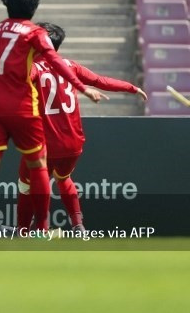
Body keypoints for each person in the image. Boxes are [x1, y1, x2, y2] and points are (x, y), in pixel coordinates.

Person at [0, 0, 104, 233]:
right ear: (34, 7)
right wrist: (82, 88)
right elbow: (55, 62)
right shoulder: (34, 32)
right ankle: (42, 228)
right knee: (38, 165)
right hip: (20, 106)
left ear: (6, 3)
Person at [15, 22, 147, 233]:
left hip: (45, 145)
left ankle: (24, 230)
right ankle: (78, 226)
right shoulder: (71, 66)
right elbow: (100, 80)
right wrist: (132, 88)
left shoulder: (33, 68)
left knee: (26, 183)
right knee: (63, 178)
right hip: (73, 144)